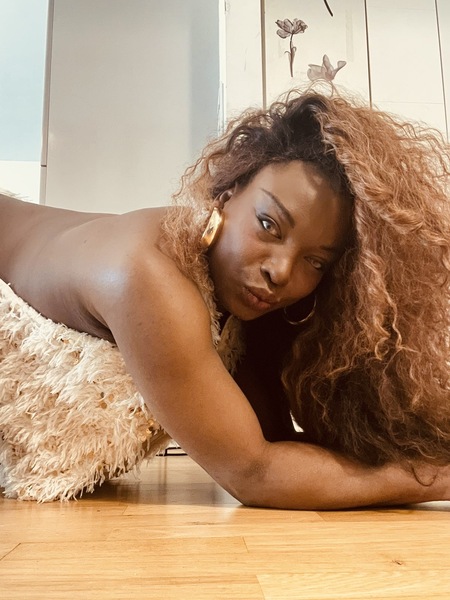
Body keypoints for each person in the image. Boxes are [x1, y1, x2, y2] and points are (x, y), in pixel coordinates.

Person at [1, 88, 449, 509]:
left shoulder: (238, 294)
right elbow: (252, 471)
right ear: (228, 194)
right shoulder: (151, 276)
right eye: (269, 225)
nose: (282, 271)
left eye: (315, 261)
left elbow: (273, 441)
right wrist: (435, 479)